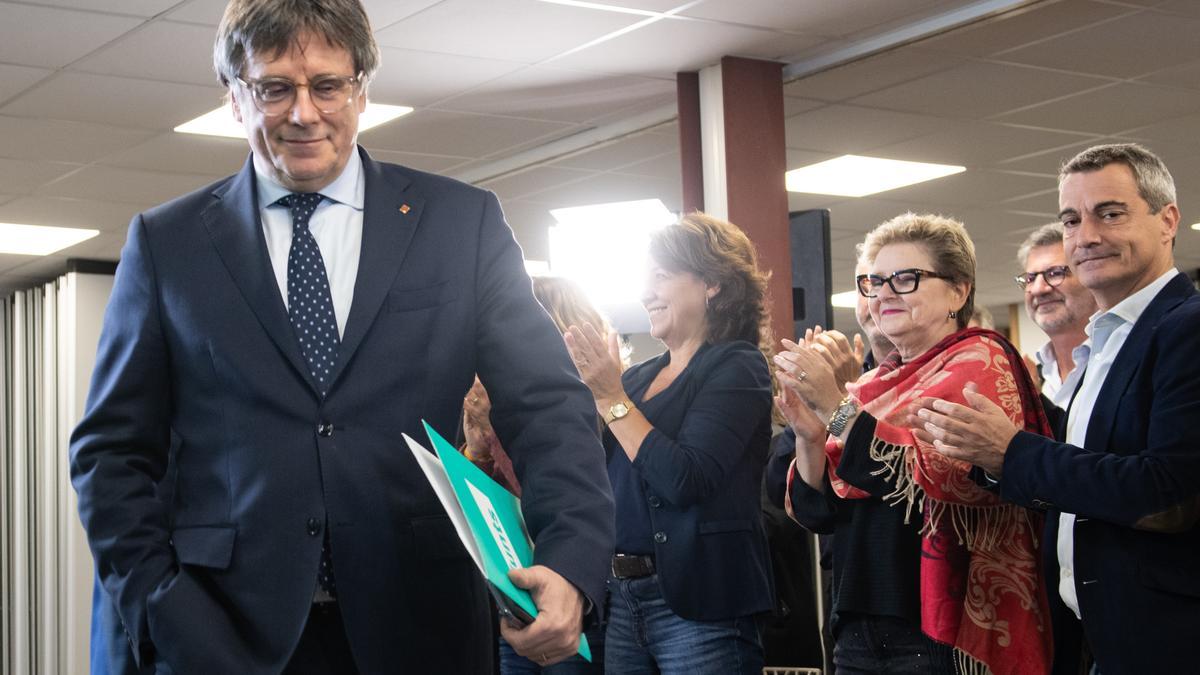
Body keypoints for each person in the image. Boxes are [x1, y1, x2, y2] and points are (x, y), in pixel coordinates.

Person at [68, 1, 614, 672]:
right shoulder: (167, 244)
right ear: (235, 98)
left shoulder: (460, 225)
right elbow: (111, 453)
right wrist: (158, 600)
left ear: (362, 87)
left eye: (327, 85)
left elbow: (547, 407)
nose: (304, 112)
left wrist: (570, 558)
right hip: (220, 633)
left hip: (420, 624)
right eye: (274, 88)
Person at [918, 143, 1200, 675]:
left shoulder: (1186, 327)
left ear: (1167, 221)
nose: (1086, 236)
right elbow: (1084, 475)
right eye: (1071, 219)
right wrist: (981, 452)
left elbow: (1167, 491)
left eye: (1109, 213)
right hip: (1098, 637)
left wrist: (1012, 452)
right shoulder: (1107, 338)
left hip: (1169, 641)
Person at [774, 212, 1053, 674]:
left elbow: (934, 479)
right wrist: (809, 436)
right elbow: (818, 514)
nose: (883, 293)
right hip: (857, 630)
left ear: (959, 291)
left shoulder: (981, 361)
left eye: (905, 279)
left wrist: (833, 408)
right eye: (874, 281)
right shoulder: (871, 387)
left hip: (936, 635)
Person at [563, 212, 775, 674]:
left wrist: (611, 399)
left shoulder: (738, 367)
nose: (645, 292)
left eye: (660, 276)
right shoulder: (636, 379)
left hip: (703, 604)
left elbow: (686, 478)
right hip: (624, 600)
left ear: (712, 283)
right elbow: (599, 481)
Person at [459, 275, 616, 674]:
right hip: (518, 589)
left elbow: (564, 492)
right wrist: (478, 447)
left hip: (571, 585)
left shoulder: (592, 407)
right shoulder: (499, 411)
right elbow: (489, 506)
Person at [1015, 223, 1095, 410]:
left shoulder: (1120, 361)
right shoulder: (1035, 378)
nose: (1038, 289)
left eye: (1055, 273)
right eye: (1030, 278)